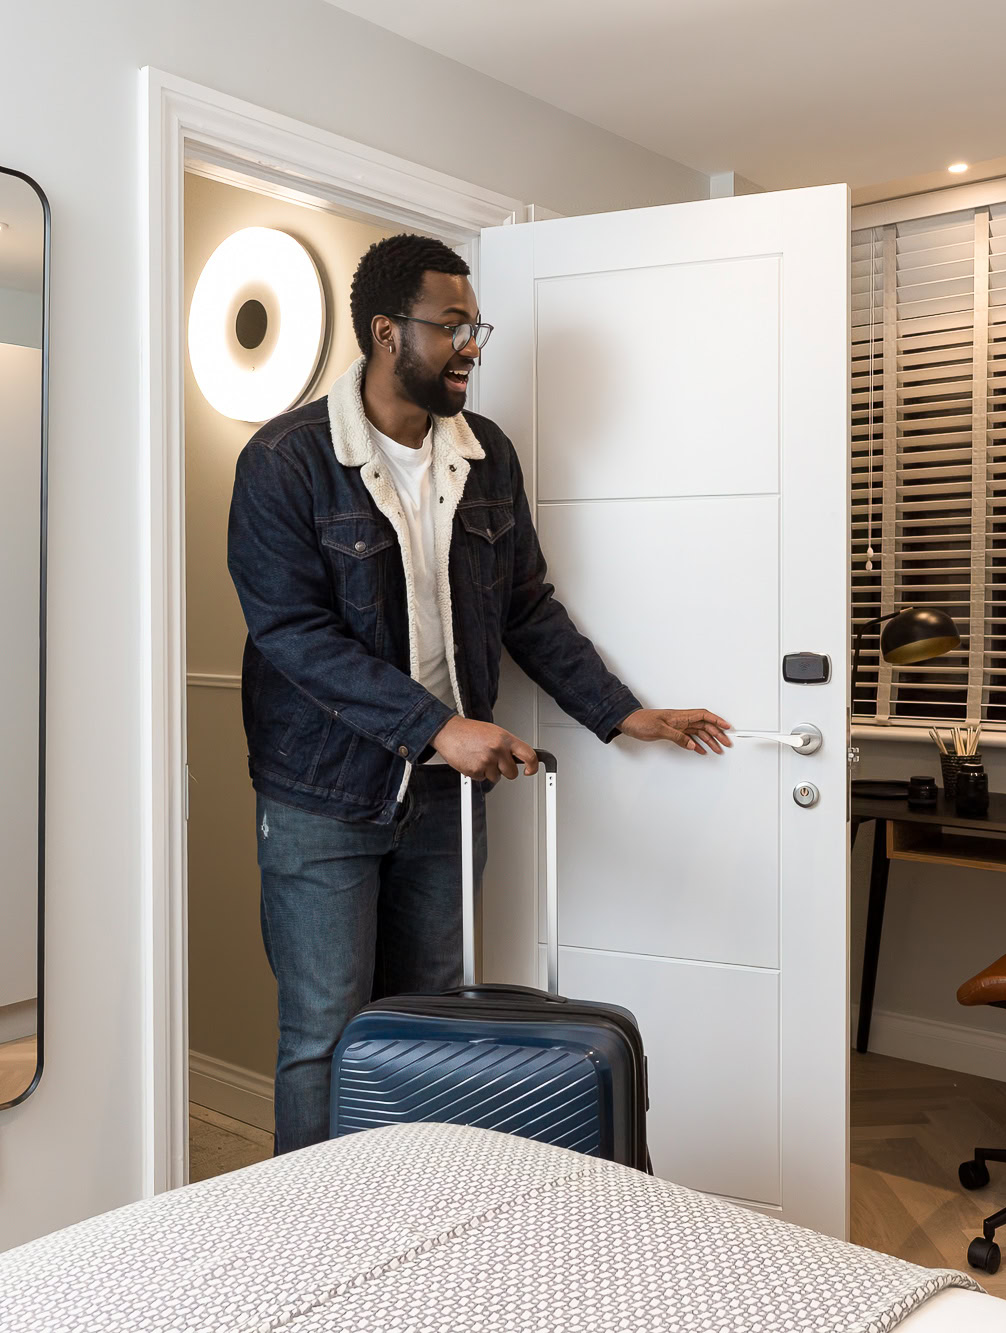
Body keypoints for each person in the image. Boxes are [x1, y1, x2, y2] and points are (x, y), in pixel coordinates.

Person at [228, 233, 732, 1153]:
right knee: (322, 1037)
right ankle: (308, 1238)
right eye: (452, 325)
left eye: (475, 324)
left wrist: (621, 711)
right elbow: (293, 634)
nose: (473, 345)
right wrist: (436, 726)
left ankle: (419, 1218)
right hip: (321, 795)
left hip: (445, 799)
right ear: (387, 332)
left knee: (432, 1029)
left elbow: (526, 605)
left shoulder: (485, 454)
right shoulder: (286, 461)